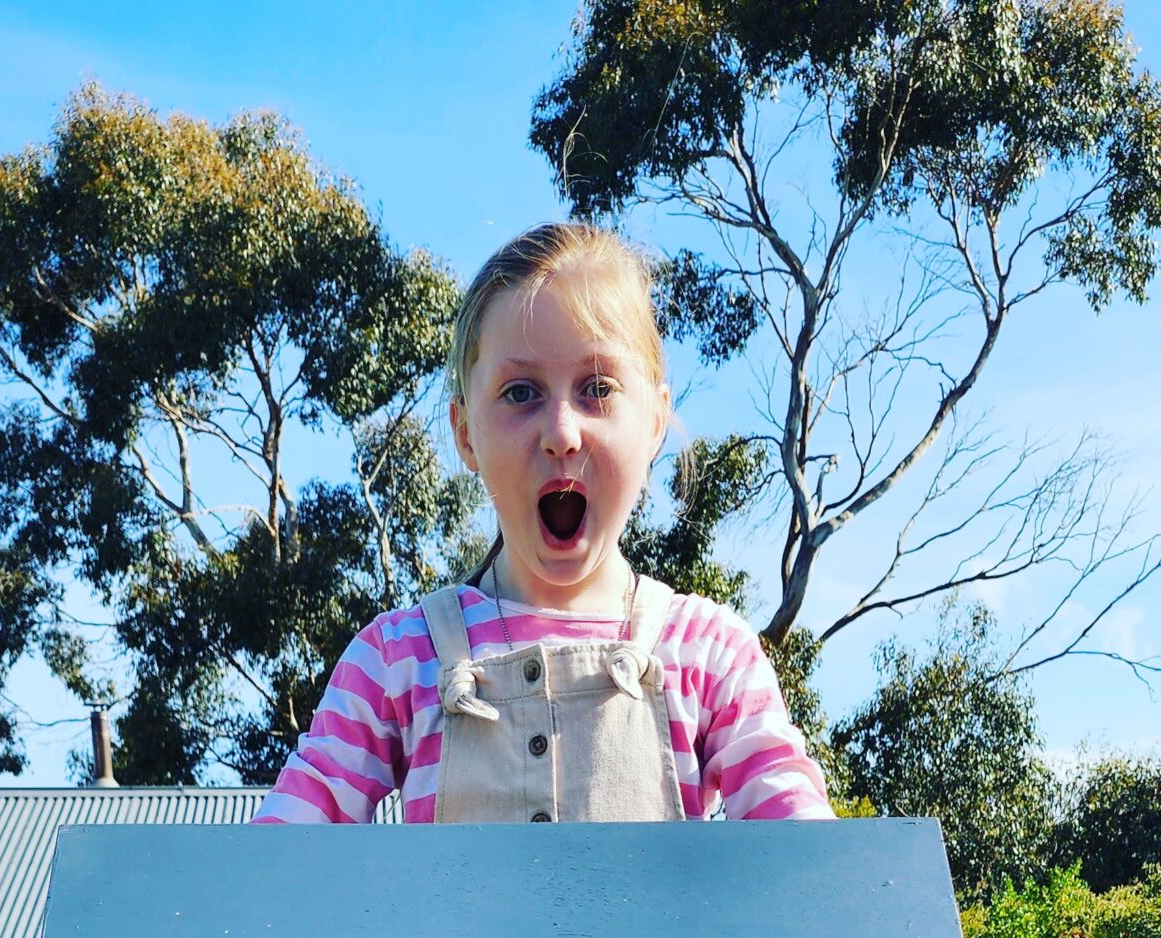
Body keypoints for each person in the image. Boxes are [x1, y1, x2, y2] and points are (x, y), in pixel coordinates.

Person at [254, 222, 831, 827]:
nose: (561, 432)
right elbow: (281, 866)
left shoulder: (711, 654)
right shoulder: (394, 659)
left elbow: (804, 855)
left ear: (656, 421)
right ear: (464, 433)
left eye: (597, 388)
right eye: (521, 391)